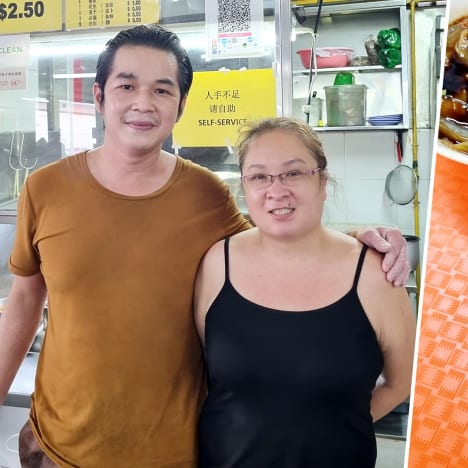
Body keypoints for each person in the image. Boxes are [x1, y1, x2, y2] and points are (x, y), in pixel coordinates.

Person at [0, 24, 409, 467]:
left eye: (162, 89)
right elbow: (24, 298)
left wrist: (361, 245)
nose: (143, 103)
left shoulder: (204, 193)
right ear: (99, 97)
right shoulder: (44, 188)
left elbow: (282, 239)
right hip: (58, 447)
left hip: (173, 451)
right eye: (126, 85)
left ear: (180, 106)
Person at [194, 117, 416, 467]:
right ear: (245, 187)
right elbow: (209, 380)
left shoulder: (374, 273)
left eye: (293, 173)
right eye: (259, 176)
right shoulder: (216, 263)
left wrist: (335, 426)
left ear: (323, 182)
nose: (276, 190)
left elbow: (401, 384)